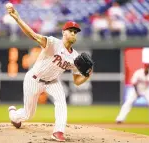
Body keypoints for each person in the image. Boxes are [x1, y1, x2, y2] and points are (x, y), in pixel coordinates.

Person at [5, 3, 92, 142]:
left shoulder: (76, 57)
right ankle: (13, 115)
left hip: (53, 82)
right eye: (71, 30)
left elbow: (76, 82)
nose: (73, 33)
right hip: (34, 79)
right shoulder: (53, 43)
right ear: (63, 32)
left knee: (61, 102)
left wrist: (87, 75)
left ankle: (58, 132)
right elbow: (33, 35)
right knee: (28, 115)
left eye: (75, 32)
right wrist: (17, 18)